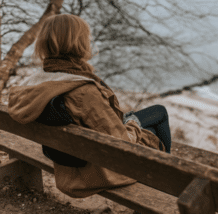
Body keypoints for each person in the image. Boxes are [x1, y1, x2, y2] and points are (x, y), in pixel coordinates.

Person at [7, 14, 172, 199]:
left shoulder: (35, 83)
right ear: (78, 42)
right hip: (95, 173)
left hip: (67, 168)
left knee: (156, 112)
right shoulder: (84, 91)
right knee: (158, 117)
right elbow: (121, 143)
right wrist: (132, 123)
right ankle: (168, 181)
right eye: (86, 37)